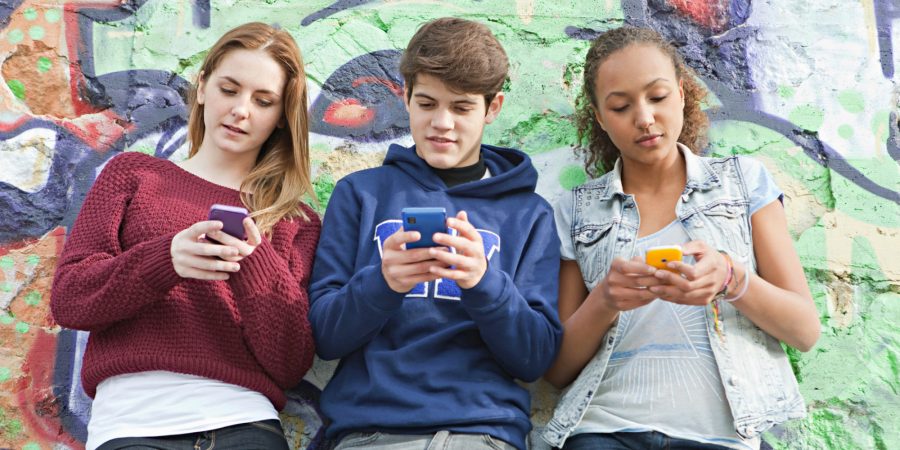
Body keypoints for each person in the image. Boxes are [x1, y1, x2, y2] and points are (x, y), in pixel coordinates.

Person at [541, 27, 821, 450]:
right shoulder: (576, 211)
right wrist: (605, 300)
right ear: (600, 118)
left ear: (683, 95)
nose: (645, 118)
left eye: (657, 97)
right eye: (620, 106)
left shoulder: (743, 183)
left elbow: (804, 331)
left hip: (722, 438)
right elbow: (558, 370)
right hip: (604, 431)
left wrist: (731, 278)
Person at [50, 22, 320, 450]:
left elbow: (289, 361)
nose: (241, 110)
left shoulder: (293, 220)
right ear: (203, 86)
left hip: (246, 424)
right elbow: (71, 299)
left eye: (263, 100)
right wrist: (165, 261)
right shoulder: (133, 175)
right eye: (229, 90)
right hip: (133, 426)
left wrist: (253, 259)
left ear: (281, 117)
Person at [308, 17, 563, 450]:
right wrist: (383, 281)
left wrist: (483, 283)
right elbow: (327, 339)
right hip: (368, 432)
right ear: (405, 97)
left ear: (492, 108)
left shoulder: (528, 214)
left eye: (461, 108)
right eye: (427, 104)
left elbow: (533, 358)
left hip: (481, 432)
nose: (442, 123)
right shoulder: (360, 195)